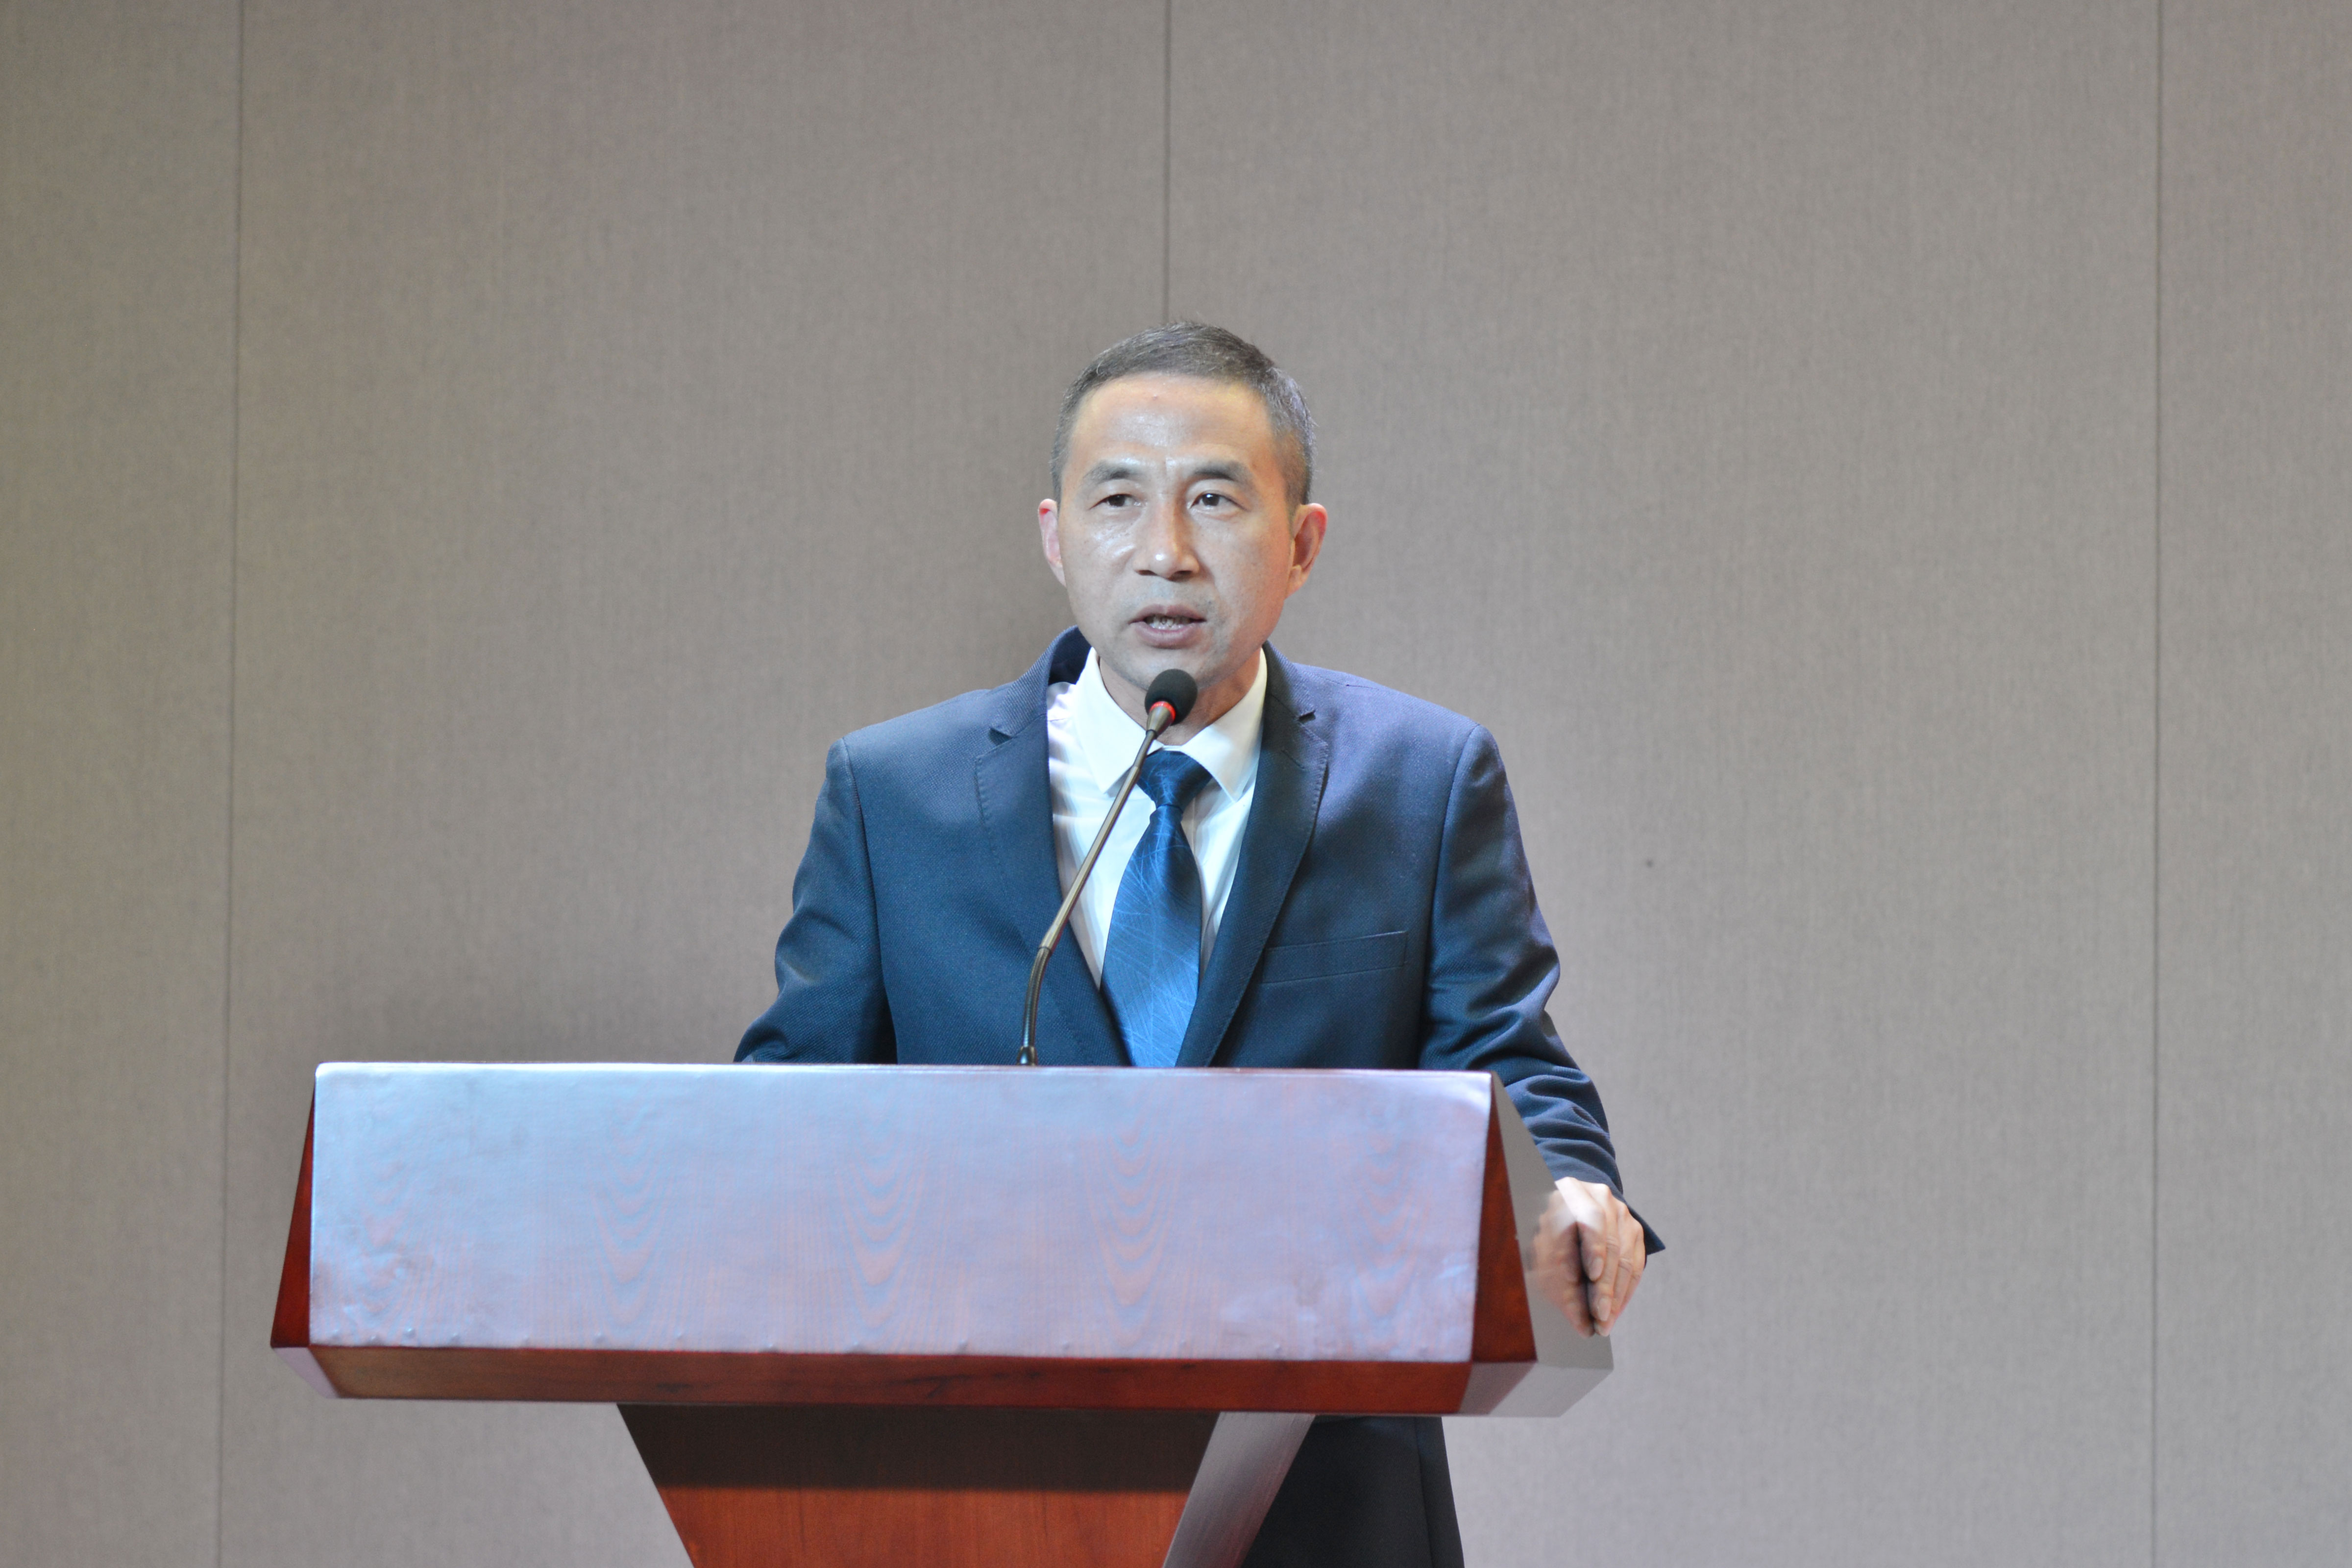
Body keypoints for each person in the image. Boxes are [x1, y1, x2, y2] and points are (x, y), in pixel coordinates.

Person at [738, 323, 1656, 1568]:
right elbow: (785, 1117)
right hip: (985, 1488)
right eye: (1118, 499)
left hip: (1329, 1499)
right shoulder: (895, 794)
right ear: (1057, 537)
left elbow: (1509, 1060)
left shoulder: (1422, 780)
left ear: (1303, 542)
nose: (1164, 550)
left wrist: (1576, 1190)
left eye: (1214, 500)